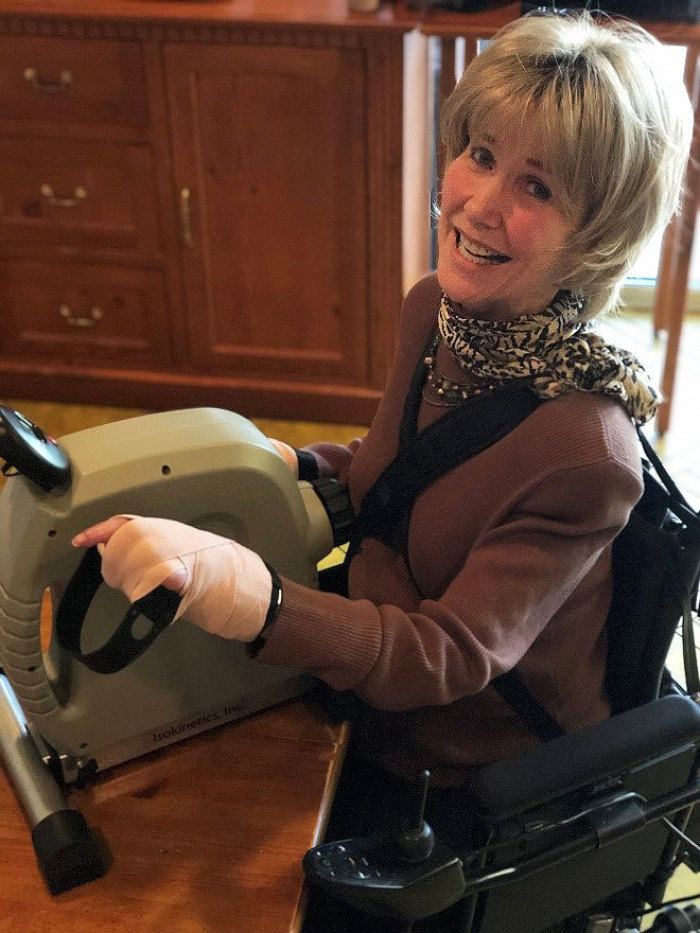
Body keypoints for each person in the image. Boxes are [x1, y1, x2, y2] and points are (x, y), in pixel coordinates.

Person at [72, 9, 693, 930]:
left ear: (596, 236)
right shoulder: (434, 315)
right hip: (365, 691)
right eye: (480, 153)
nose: (479, 203)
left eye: (538, 187)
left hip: (465, 777)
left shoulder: (585, 454)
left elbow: (449, 655)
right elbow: (397, 474)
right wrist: (285, 465)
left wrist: (258, 600)